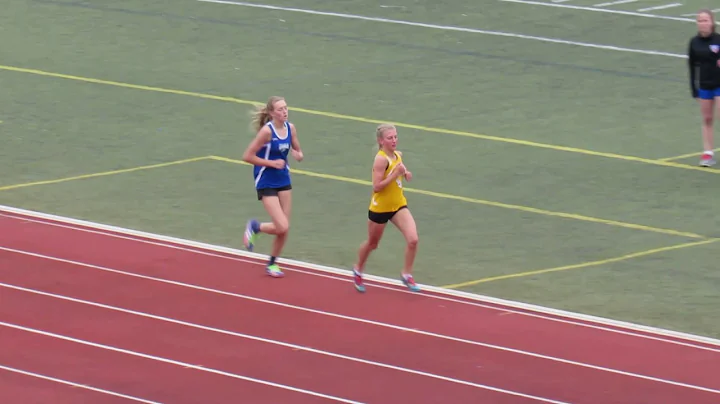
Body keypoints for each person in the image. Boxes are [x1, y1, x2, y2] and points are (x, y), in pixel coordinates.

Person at [352, 123, 420, 293]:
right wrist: (395, 174)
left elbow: (399, 170)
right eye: (390, 138)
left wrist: (405, 173)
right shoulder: (380, 159)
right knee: (373, 244)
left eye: (395, 136)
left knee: (413, 239)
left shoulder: (398, 155)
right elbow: (377, 186)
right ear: (381, 141)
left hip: (398, 205)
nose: (394, 140)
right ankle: (358, 268)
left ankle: (406, 274)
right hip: (380, 209)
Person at [242, 96, 303, 278]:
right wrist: (270, 163)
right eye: (280, 109)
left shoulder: (290, 129)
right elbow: (247, 156)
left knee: (284, 228)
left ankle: (272, 264)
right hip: (265, 180)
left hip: (283, 179)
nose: (285, 112)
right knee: (281, 226)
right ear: (271, 113)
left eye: (286, 108)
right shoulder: (267, 132)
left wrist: (298, 154)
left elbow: (297, 149)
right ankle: (255, 227)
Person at [688, 9, 720, 167]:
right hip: (704, 85)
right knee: (707, 119)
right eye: (700, 20)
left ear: (712, 22)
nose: (703, 23)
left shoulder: (719, 40)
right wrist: (694, 89)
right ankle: (708, 153)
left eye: (706, 20)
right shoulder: (694, 43)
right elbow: (692, 67)